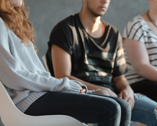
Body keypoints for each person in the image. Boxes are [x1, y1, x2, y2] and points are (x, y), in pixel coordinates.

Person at [45, 0, 157, 125]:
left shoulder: (113, 33)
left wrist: (127, 88)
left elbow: (119, 77)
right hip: (82, 95)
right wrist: (102, 89)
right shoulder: (65, 29)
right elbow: (62, 76)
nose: (104, 1)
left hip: (113, 94)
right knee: (109, 102)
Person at [0, 0, 131, 126]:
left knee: (123, 106)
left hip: (41, 93)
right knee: (110, 109)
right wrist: (68, 86)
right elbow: (14, 76)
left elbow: (38, 73)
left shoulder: (13, 23)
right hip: (28, 100)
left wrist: (82, 90)